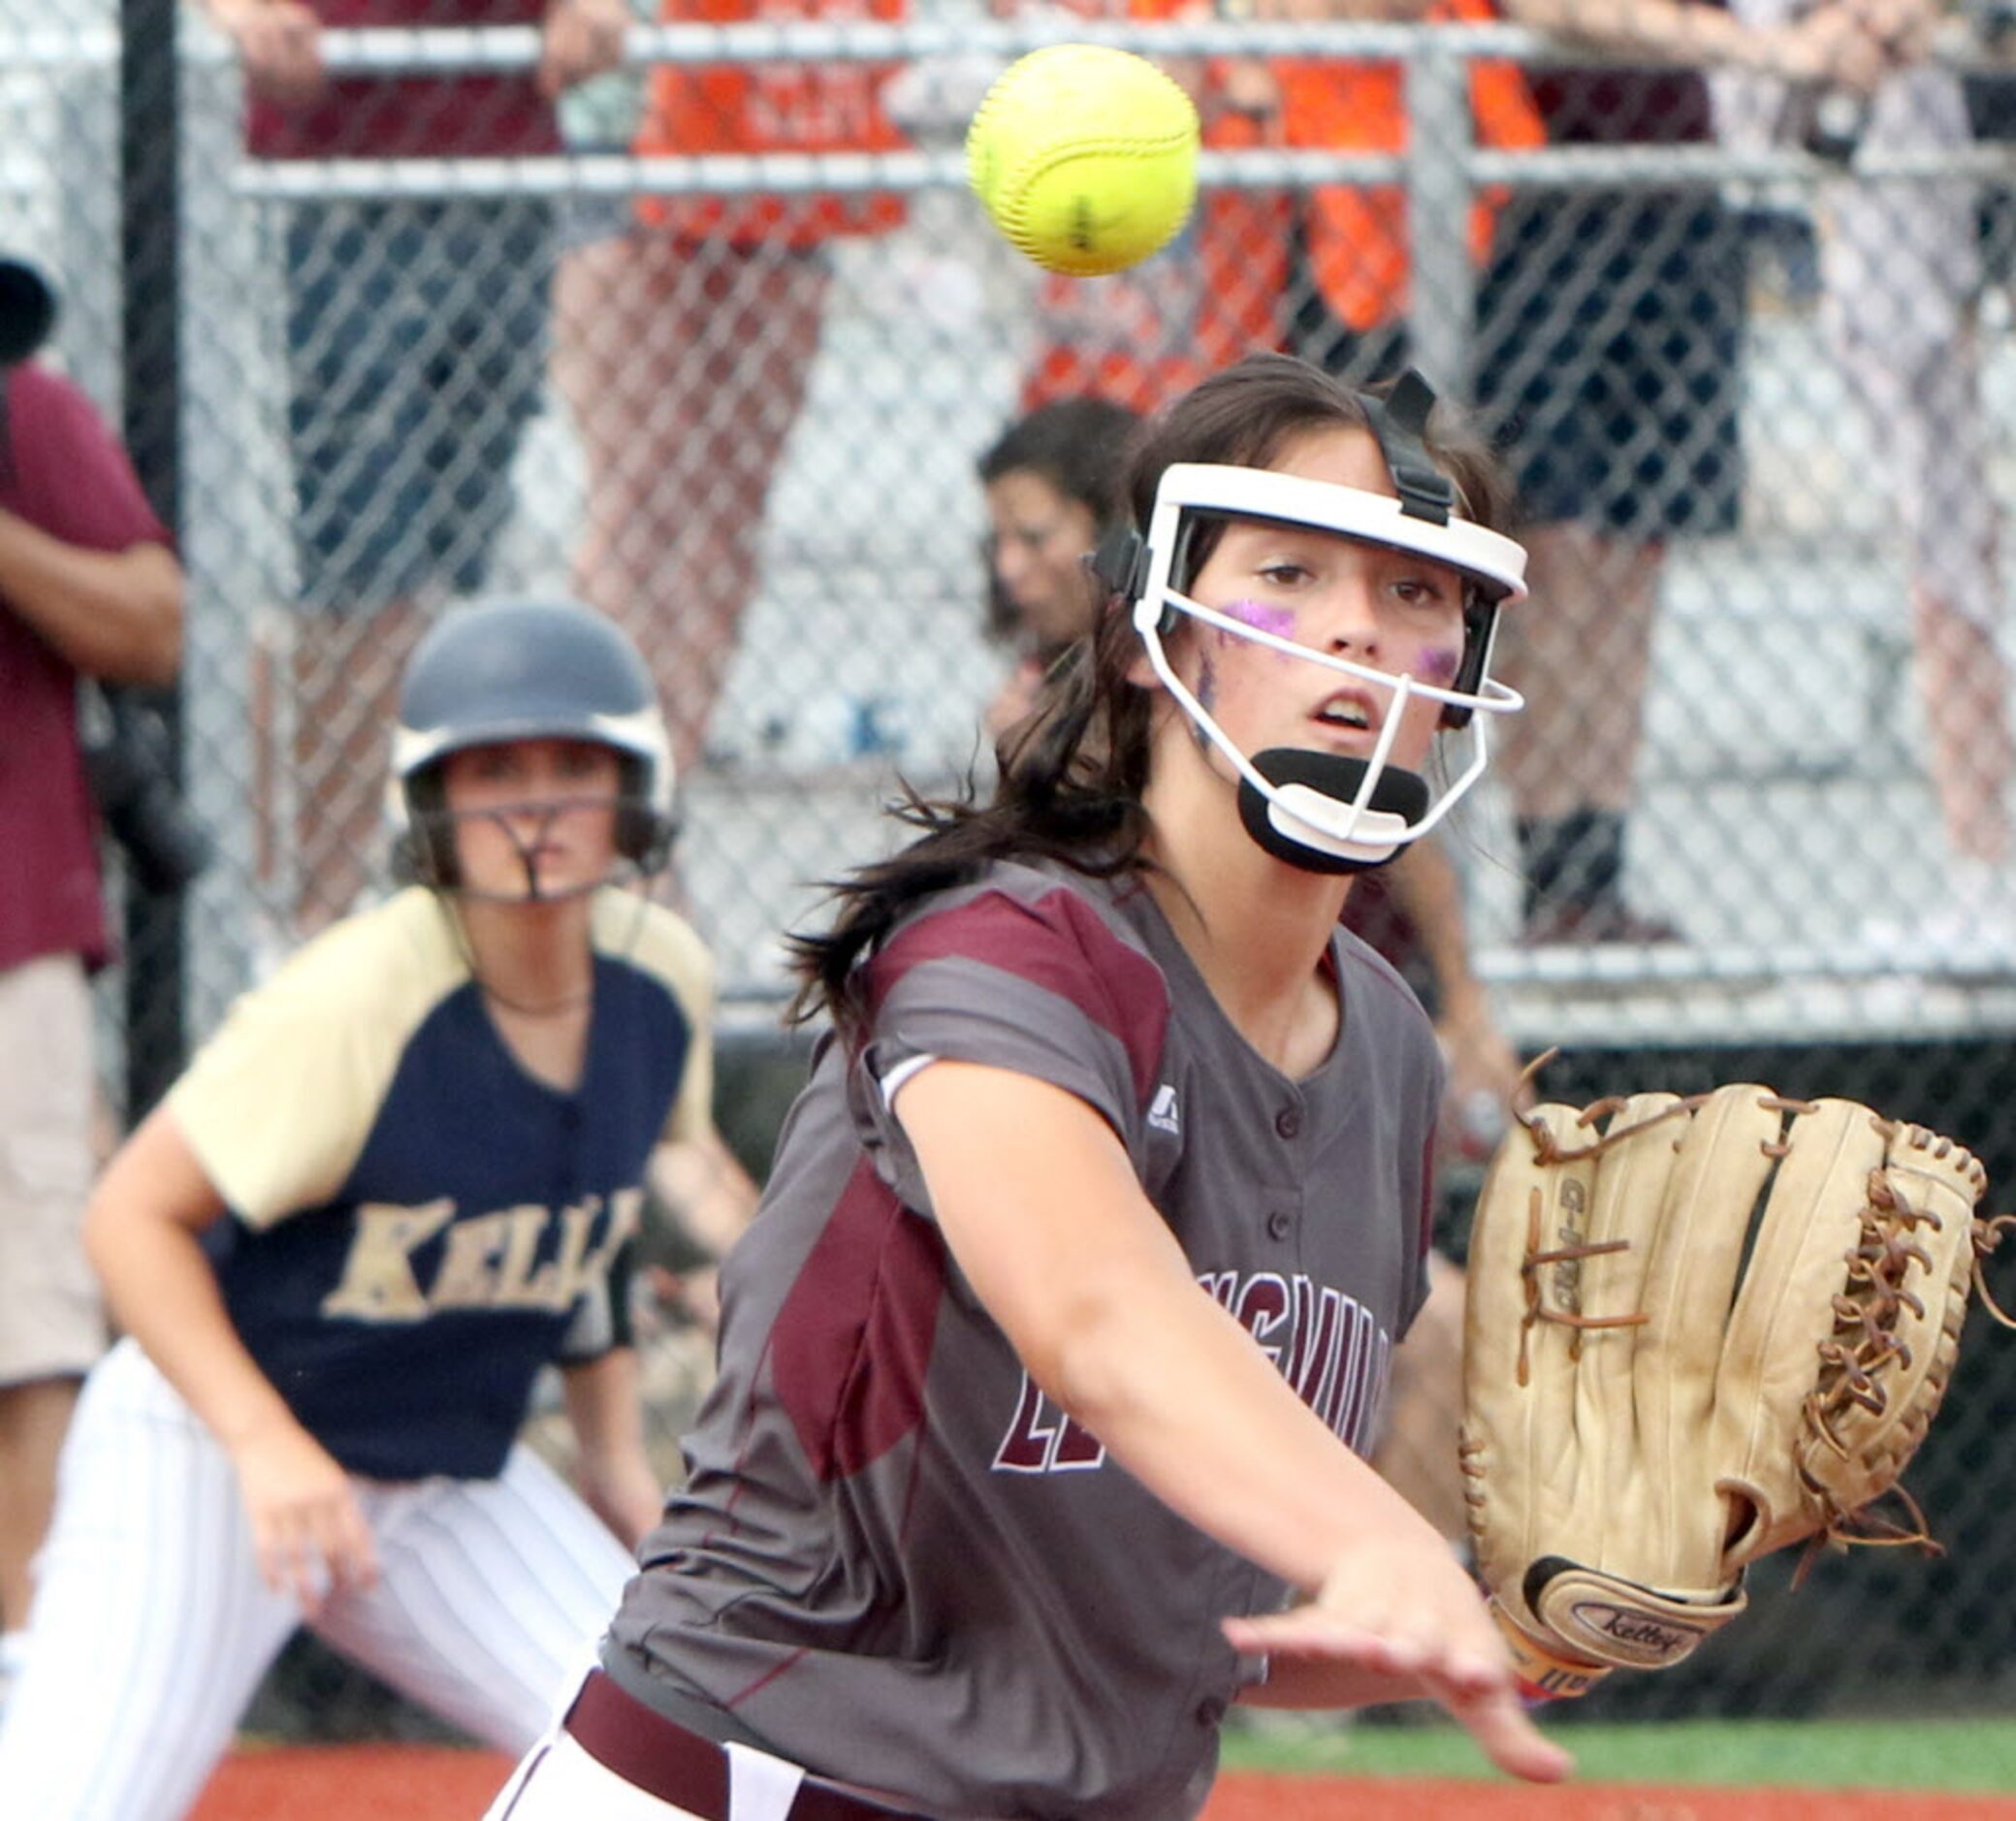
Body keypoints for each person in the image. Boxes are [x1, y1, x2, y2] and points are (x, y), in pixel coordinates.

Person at [485, 354, 1572, 1821]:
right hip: (742, 1783)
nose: (1352, 635)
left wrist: (1497, 1615)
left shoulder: (1382, 1049)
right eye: (1287, 571)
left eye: (1412, 592)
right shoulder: (1007, 945)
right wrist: (1378, 1536)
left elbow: (1206, 1620)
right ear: (1143, 634)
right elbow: (1096, 1320)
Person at [0, 598, 735, 1820]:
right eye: (493, 769)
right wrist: (262, 1440)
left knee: (663, 1780)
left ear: (635, 792)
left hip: (440, 1476)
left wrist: (613, 1459)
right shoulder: (359, 996)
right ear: (428, 803)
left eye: (573, 766)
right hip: (210, 1447)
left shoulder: (662, 977)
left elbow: (594, 1221)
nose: (536, 805)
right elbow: (129, 1218)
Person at [1473, 0, 1915, 942]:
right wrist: (1768, 52)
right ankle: (1552, 873)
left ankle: (1599, 871)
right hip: (1546, 193)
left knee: (1640, 540)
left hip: (1675, 192)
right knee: (1556, 544)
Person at [199, 0, 629, 925]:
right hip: (325, 170)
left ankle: (411, 890)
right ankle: (307, 913)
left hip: (498, 165)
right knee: (352, 562)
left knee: (448, 563)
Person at [1717, 0, 2013, 965]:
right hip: (1924, 262)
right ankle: (1985, 881)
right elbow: (1765, 109)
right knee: (1949, 568)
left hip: (1973, 204)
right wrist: (1844, 43)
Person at [551, 0, 911, 776]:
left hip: (781, 135)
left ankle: (668, 774)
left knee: (729, 499)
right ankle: (601, 768)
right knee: (634, 492)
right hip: (636, 129)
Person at [0, 255, 186, 1707]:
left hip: (8, 937)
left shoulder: (25, 409)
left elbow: (148, 623)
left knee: (25, 1344)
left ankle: (30, 1708)